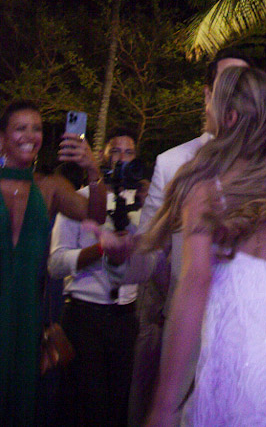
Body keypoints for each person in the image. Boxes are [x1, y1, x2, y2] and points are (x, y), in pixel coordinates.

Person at [124, 48, 266, 426]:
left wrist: (163, 404)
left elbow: (195, 286)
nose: (207, 109)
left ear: (231, 115)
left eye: (215, 101)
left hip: (229, 356)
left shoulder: (204, 183)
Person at [0, 99, 107, 427]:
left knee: (20, 400)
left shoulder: (48, 188)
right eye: (20, 128)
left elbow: (96, 216)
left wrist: (92, 169)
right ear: (2, 136)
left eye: (37, 128)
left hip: (28, 313)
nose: (30, 135)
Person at [48, 128, 142, 427]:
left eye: (129, 153)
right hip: (84, 315)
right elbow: (55, 263)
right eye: (115, 151)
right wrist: (99, 249)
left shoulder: (144, 205)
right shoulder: (78, 200)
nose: (121, 159)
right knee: (86, 409)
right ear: (102, 156)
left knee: (119, 408)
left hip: (126, 317)